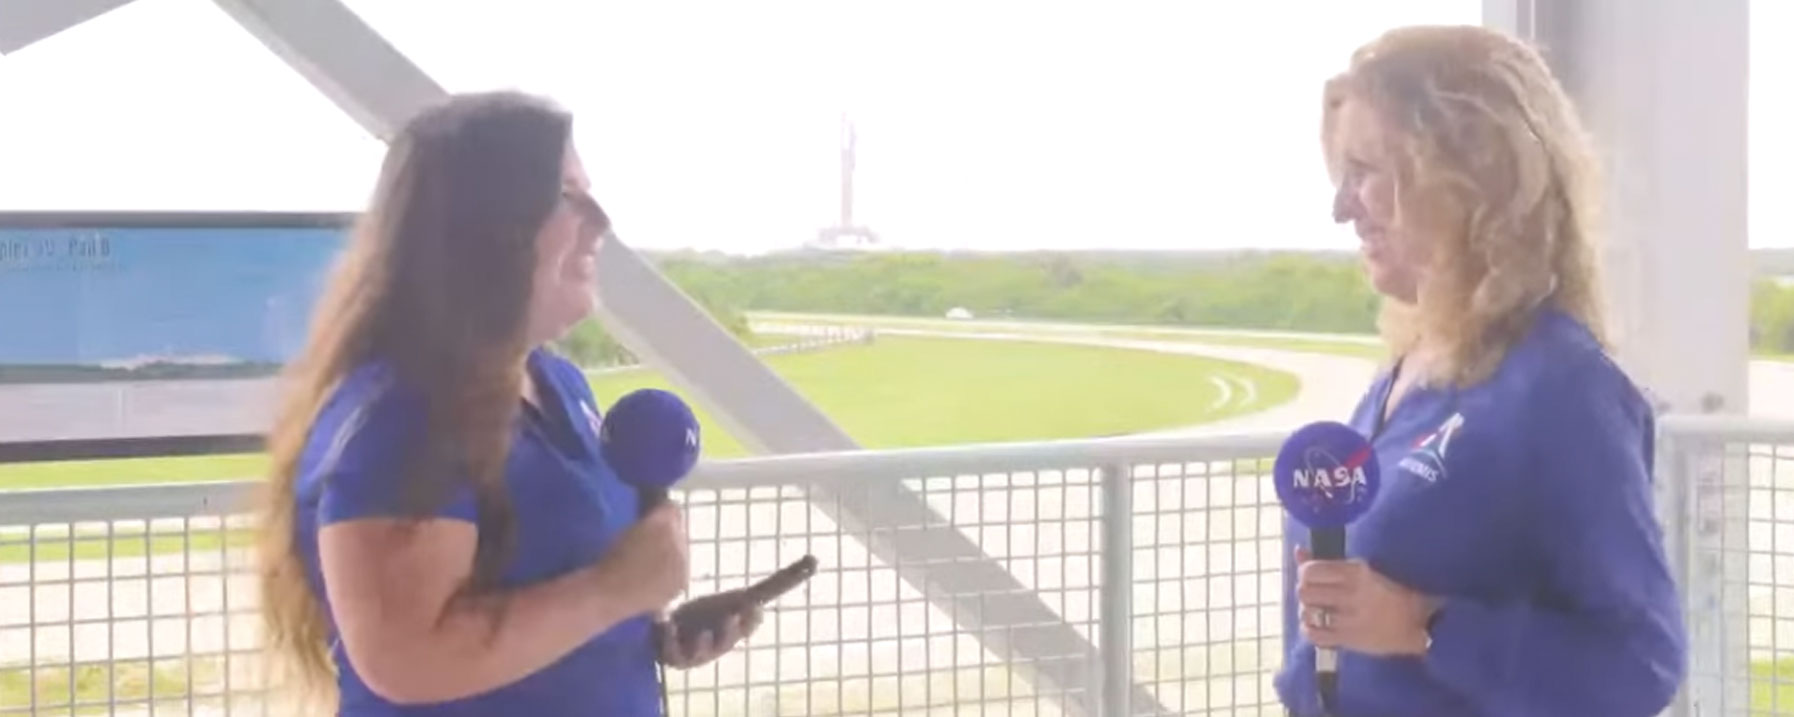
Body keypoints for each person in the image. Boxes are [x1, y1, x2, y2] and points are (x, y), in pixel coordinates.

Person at [254, 91, 761, 715]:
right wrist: (613, 590)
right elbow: (408, 657)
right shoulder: (404, 416)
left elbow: (547, 601)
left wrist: (640, 630)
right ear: (488, 229)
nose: (600, 220)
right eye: (569, 196)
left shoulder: (561, 387)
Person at [1276, 25, 1686, 717]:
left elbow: (1641, 661)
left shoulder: (1560, 388)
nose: (1344, 207)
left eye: (1368, 172)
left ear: (1466, 177)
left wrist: (1424, 624)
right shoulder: (1410, 368)